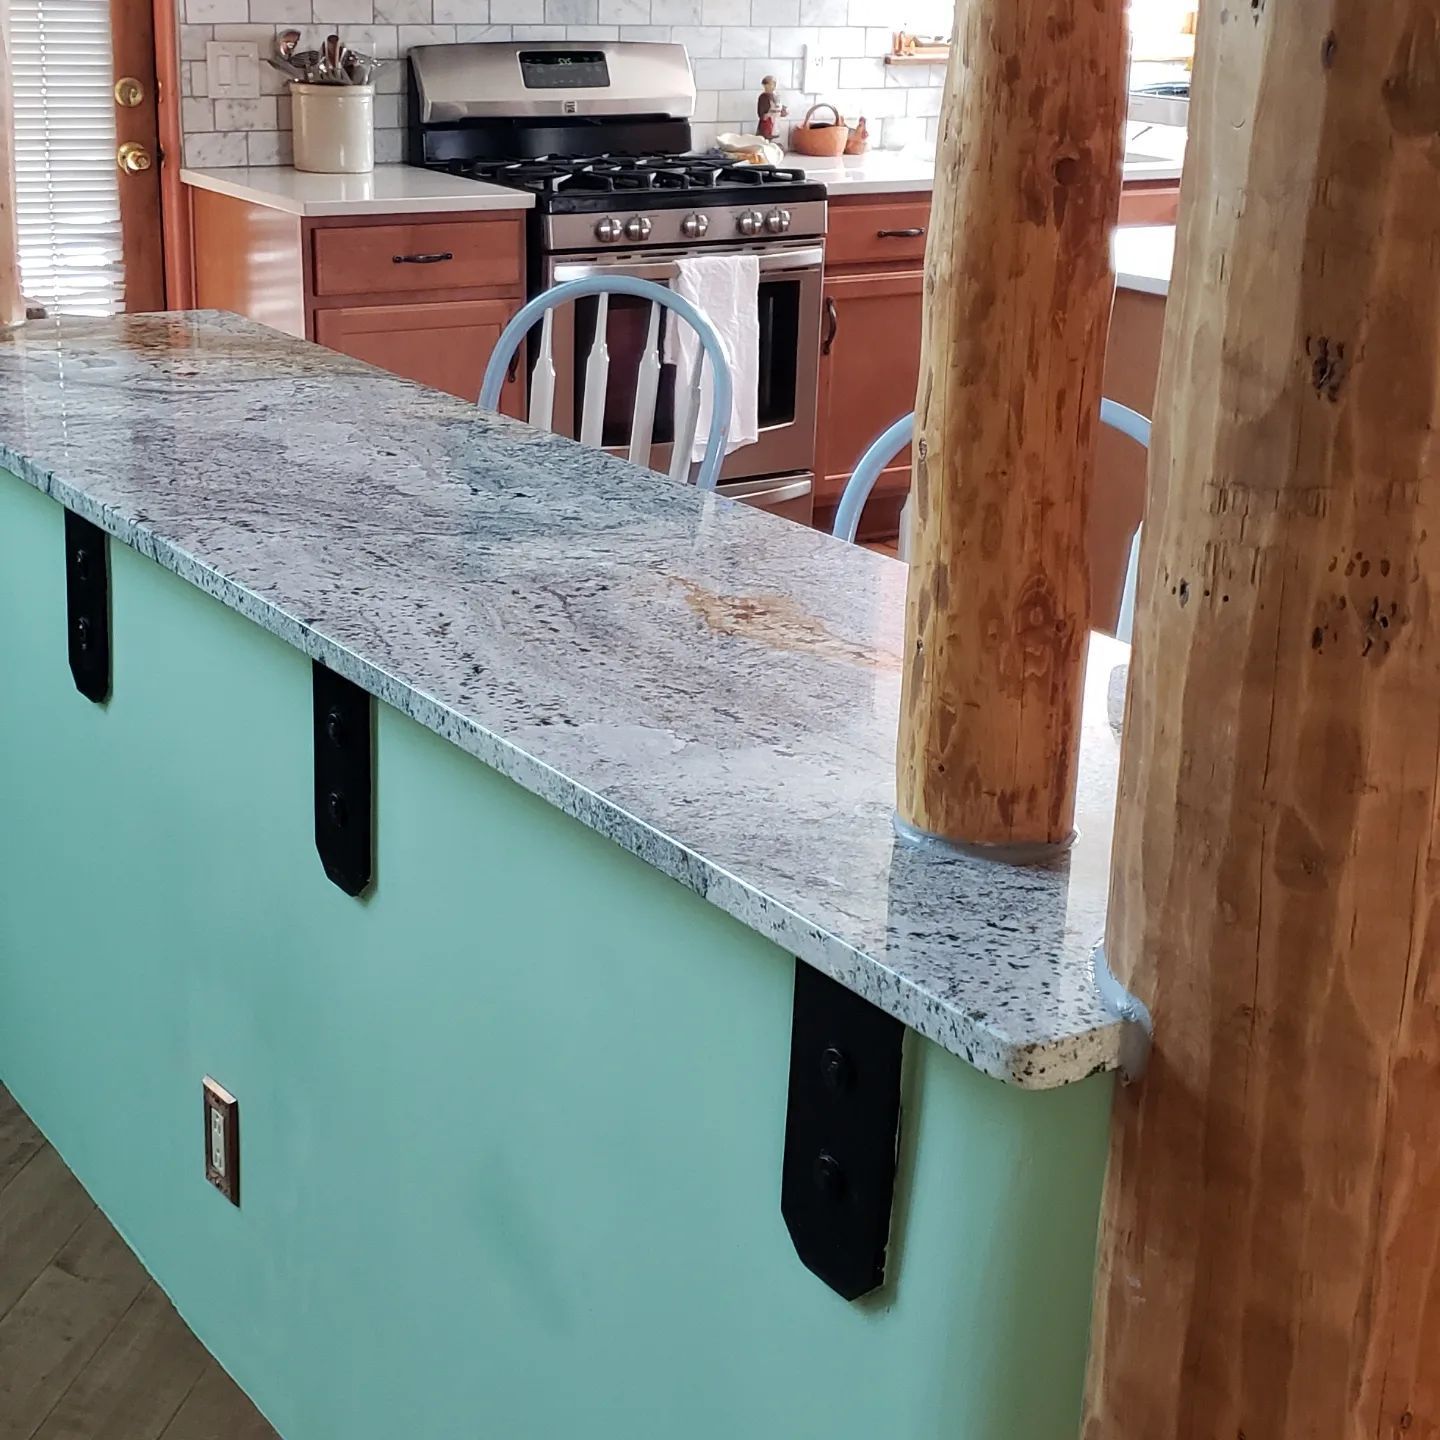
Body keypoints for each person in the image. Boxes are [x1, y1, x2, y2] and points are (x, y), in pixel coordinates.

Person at [756, 76, 788, 141]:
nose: (772, 86)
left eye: (773, 84)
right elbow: (761, 112)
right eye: (769, 84)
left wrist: (783, 110)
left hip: (775, 121)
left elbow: (779, 106)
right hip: (767, 122)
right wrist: (766, 115)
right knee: (764, 137)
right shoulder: (763, 97)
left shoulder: (776, 96)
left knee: (773, 135)